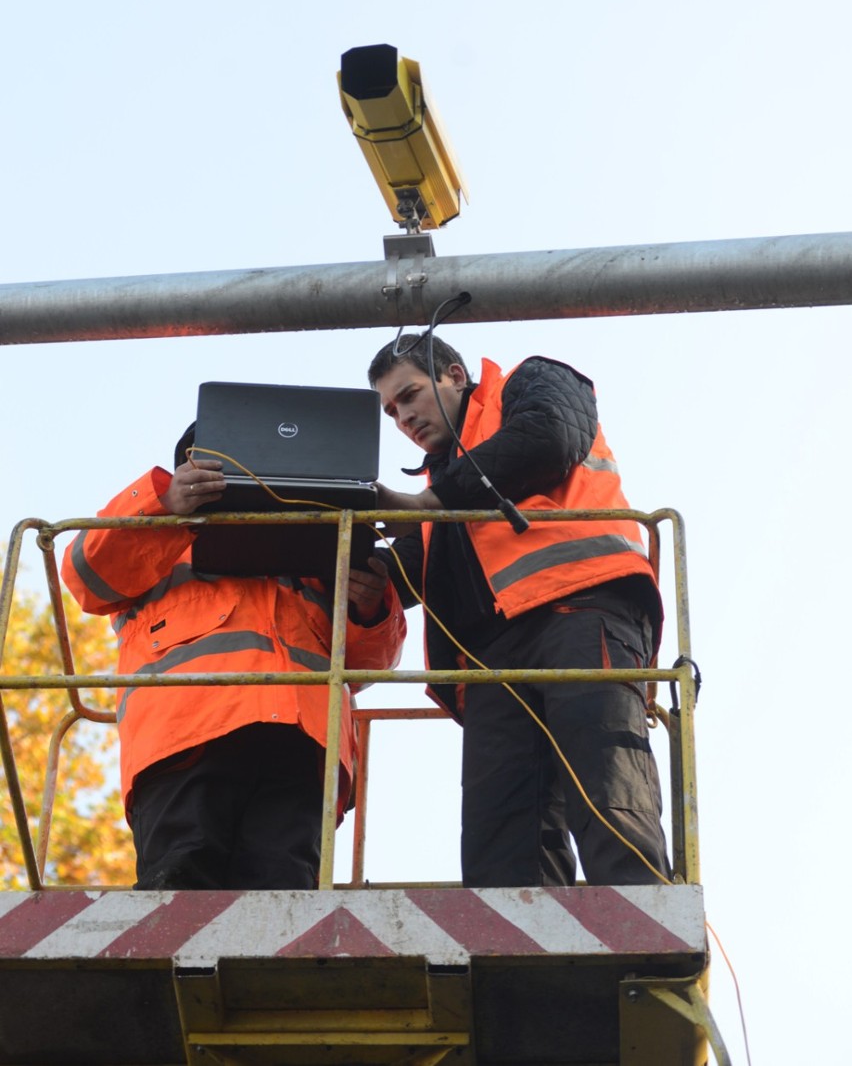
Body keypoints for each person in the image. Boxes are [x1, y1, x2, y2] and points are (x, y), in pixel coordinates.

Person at [368, 334, 670, 888]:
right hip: (491, 660)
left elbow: (549, 437)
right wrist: (334, 555)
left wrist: (430, 502)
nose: (403, 416)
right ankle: (518, 972)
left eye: (410, 395)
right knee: (501, 839)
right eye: (391, 410)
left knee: (607, 794)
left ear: (456, 376)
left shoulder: (530, 384)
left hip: (581, 610)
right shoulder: (442, 489)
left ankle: (650, 961)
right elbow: (409, 567)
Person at [61, 425, 405, 891]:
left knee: (285, 891)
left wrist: (370, 607)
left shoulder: (321, 556)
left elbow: (366, 667)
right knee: (181, 882)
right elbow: (85, 576)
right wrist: (164, 503)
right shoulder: (159, 539)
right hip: (186, 739)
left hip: (300, 745)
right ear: (190, 468)